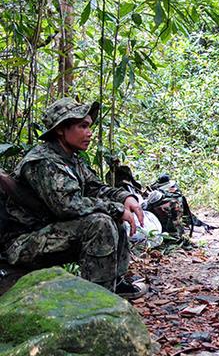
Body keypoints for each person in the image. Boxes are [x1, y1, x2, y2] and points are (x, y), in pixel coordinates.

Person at [0, 98, 146, 298]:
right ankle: (97, 299)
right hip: (23, 243)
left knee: (109, 217)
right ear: (61, 130)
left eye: (89, 127)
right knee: (100, 223)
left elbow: (95, 187)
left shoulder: (70, 158)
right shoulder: (43, 161)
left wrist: (124, 198)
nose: (89, 133)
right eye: (82, 126)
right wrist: (116, 208)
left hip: (47, 233)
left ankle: (114, 283)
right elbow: (68, 205)